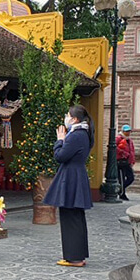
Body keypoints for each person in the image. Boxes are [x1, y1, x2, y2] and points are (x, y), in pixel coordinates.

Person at [43, 105, 94, 267]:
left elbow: (60, 156)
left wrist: (60, 140)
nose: (66, 117)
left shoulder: (76, 135)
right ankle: (77, 256)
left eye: (68, 115)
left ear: (75, 119)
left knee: (70, 217)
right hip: (77, 175)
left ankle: (74, 258)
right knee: (75, 217)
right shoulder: (83, 134)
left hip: (71, 178)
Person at [116, 124, 136, 201]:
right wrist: (123, 153)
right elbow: (114, 147)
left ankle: (119, 188)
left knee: (131, 178)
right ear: (123, 131)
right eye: (127, 131)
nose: (128, 133)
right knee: (121, 178)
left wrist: (132, 160)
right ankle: (122, 194)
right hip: (120, 162)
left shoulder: (130, 140)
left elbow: (132, 151)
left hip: (127, 162)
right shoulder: (118, 138)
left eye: (129, 131)